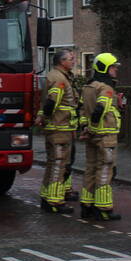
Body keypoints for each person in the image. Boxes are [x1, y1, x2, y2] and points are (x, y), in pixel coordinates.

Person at [80, 53, 123, 221]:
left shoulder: (88, 87)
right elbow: (100, 109)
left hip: (91, 137)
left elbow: (82, 111)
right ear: (104, 68)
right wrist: (93, 127)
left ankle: (87, 205)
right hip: (105, 136)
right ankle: (103, 209)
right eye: (113, 67)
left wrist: (86, 128)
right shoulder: (106, 88)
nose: (115, 70)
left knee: (90, 169)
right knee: (105, 170)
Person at [37, 49, 80, 214]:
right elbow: (51, 103)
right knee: (59, 165)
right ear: (62, 62)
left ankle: (47, 196)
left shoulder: (56, 76)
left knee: (52, 163)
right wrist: (46, 118)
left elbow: (46, 102)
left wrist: (43, 118)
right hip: (60, 128)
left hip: (57, 128)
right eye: (70, 59)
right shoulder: (59, 79)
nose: (73, 61)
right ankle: (55, 201)